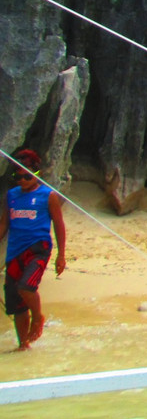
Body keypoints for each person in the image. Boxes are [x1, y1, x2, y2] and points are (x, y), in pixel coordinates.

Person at [0, 149, 66, 350]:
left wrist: (61, 255)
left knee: (25, 287)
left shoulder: (48, 196)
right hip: (15, 252)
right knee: (16, 301)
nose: (23, 181)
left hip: (38, 249)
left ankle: (38, 317)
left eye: (27, 176)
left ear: (37, 173)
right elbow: (4, 224)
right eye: (18, 177)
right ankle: (23, 345)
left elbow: (59, 225)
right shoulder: (11, 196)